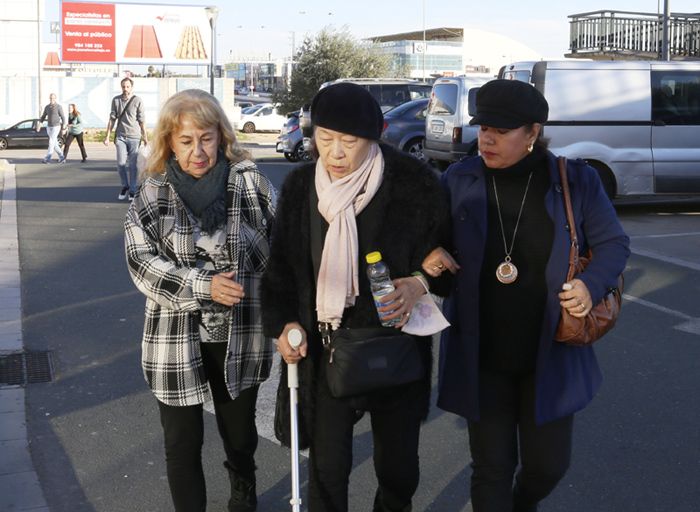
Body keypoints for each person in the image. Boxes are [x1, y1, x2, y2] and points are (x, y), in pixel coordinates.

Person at [422, 79, 630, 512]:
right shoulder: (459, 180)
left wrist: (590, 287)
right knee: (490, 469)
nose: (487, 138)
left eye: (501, 130)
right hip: (483, 355)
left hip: (549, 354)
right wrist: (430, 256)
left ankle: (524, 503)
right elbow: (431, 247)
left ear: (533, 132)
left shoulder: (575, 182)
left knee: (546, 467)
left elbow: (614, 245)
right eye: (483, 127)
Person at [261, 82, 451, 512]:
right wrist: (284, 324)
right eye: (324, 139)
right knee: (327, 476)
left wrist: (420, 280)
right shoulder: (299, 188)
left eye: (349, 142)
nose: (335, 154)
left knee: (399, 472)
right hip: (326, 349)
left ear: (375, 136)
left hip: (395, 348)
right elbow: (281, 272)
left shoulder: (416, 184)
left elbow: (448, 262)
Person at [124, 89, 275, 512]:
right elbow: (141, 263)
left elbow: (282, 248)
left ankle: (242, 484)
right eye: (186, 141)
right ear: (170, 142)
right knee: (181, 444)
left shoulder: (248, 182)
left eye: (206, 139)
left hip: (240, 334)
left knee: (241, 435)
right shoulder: (152, 194)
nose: (198, 152)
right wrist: (202, 285)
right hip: (174, 340)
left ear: (221, 136)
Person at [105, 77, 148, 201]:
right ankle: (125, 186)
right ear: (121, 87)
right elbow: (112, 119)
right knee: (120, 164)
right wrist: (107, 136)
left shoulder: (138, 100)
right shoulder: (116, 100)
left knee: (133, 165)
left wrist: (145, 137)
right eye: (123, 86)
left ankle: (133, 190)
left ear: (131, 87)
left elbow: (142, 121)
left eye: (128, 86)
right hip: (120, 137)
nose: (125, 89)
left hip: (134, 137)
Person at [37, 93, 65, 164]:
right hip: (49, 127)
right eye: (51, 98)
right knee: (54, 144)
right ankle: (62, 158)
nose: (52, 99)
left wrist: (64, 128)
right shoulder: (47, 107)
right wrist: (40, 124)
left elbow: (63, 117)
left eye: (53, 98)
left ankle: (48, 159)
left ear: (55, 99)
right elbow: (43, 116)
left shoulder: (59, 107)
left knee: (51, 142)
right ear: (49, 98)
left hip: (56, 126)